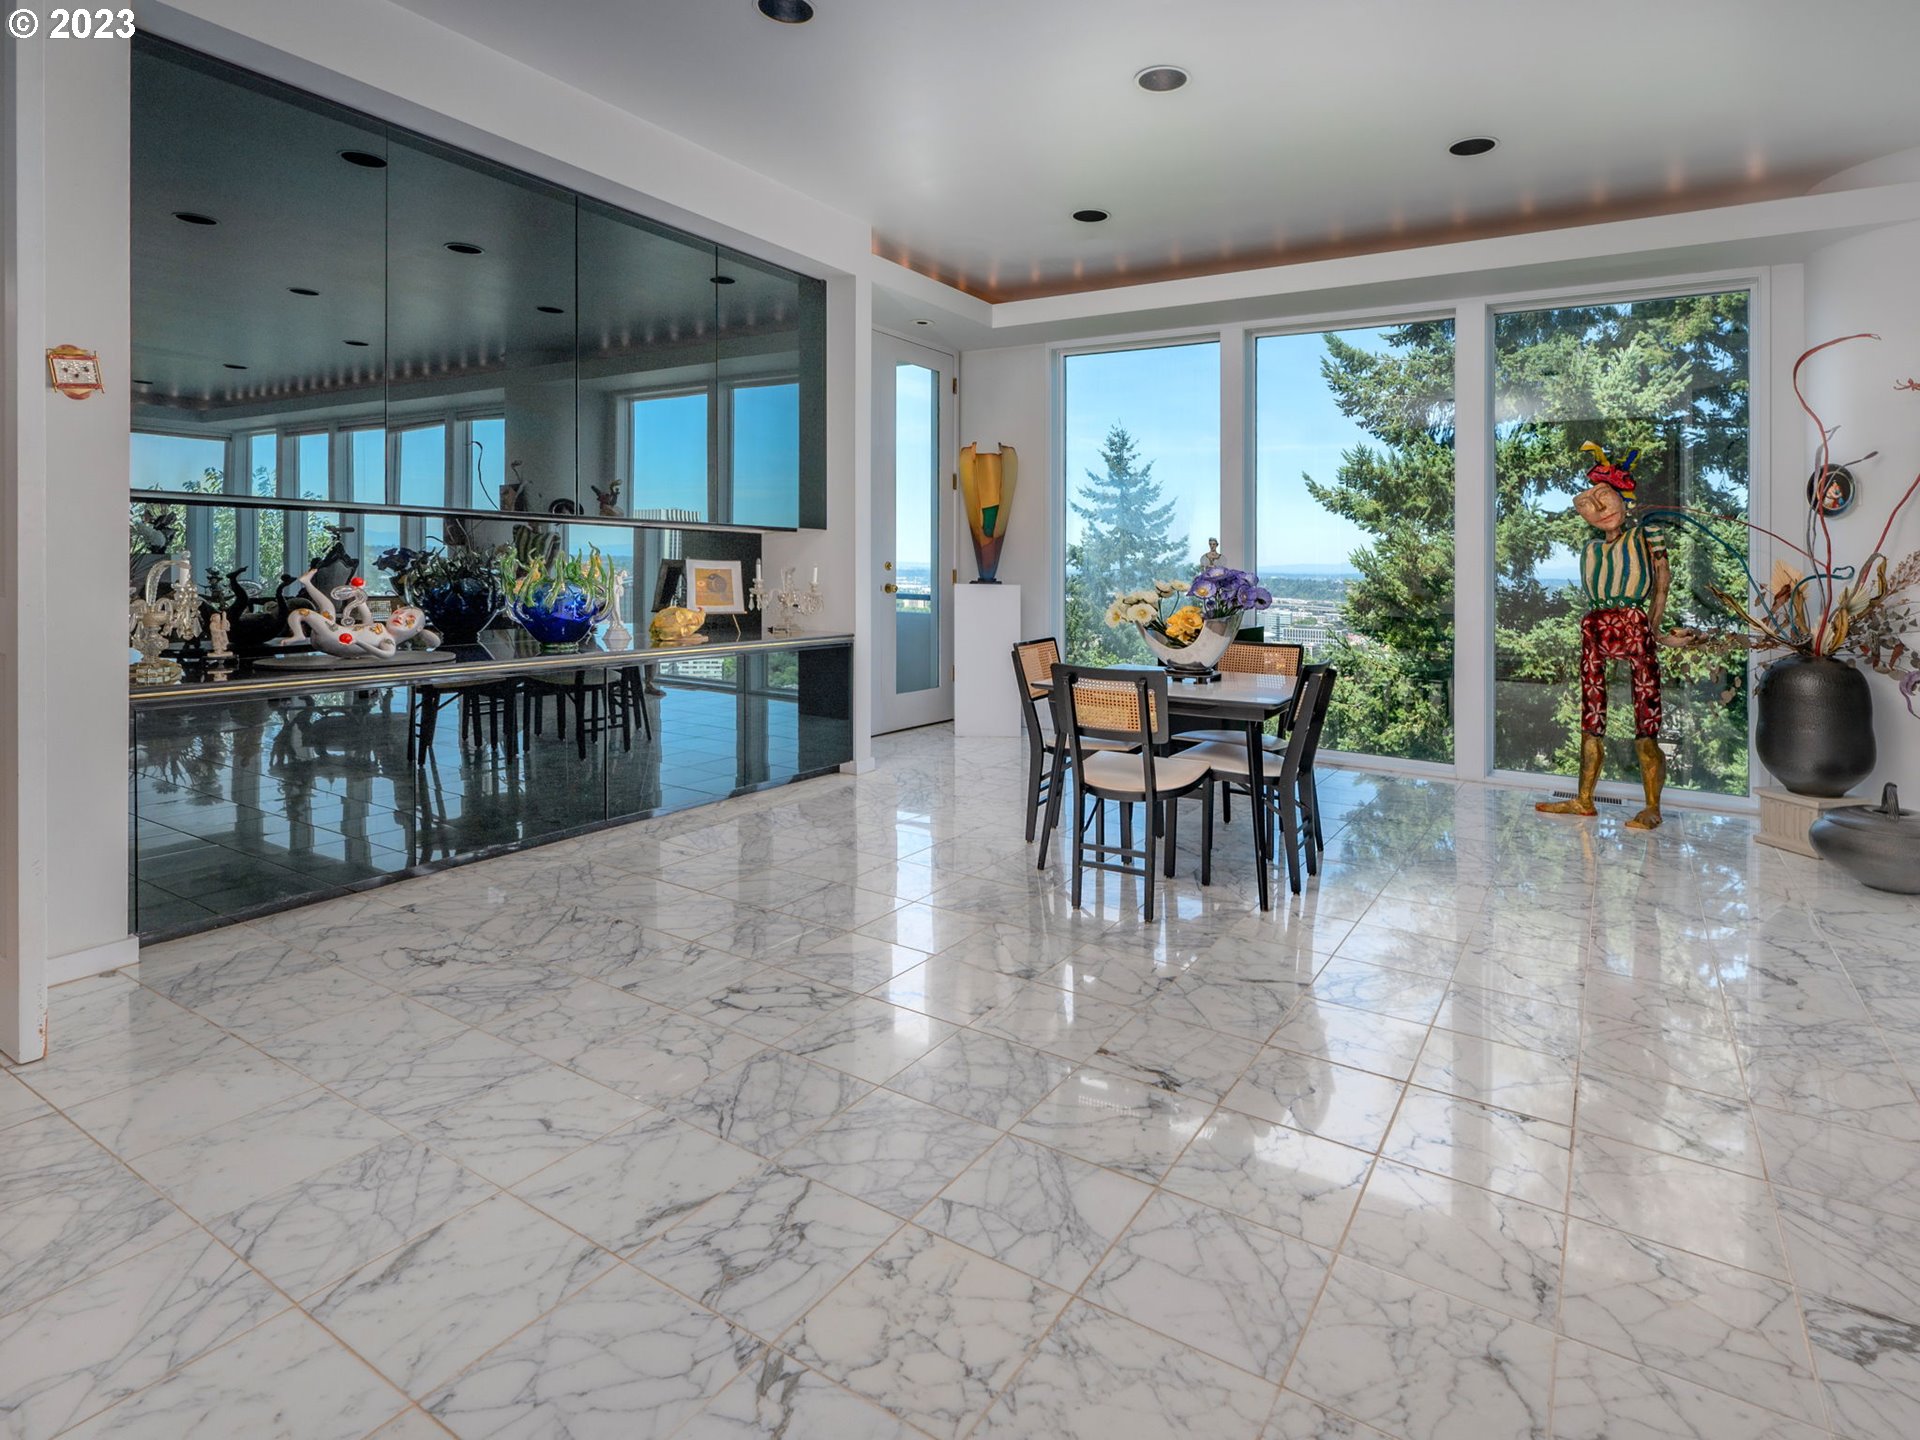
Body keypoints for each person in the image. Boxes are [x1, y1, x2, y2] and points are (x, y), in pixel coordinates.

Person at [1537, 443, 1683, 831]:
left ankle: (1653, 806)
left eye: (1604, 498)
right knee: (1592, 711)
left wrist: (1654, 628)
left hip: (1634, 623)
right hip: (1597, 624)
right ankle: (1585, 798)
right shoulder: (1589, 549)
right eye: (1587, 504)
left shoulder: (1646, 534)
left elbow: (1662, 582)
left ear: (1623, 498)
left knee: (1646, 711)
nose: (1598, 510)